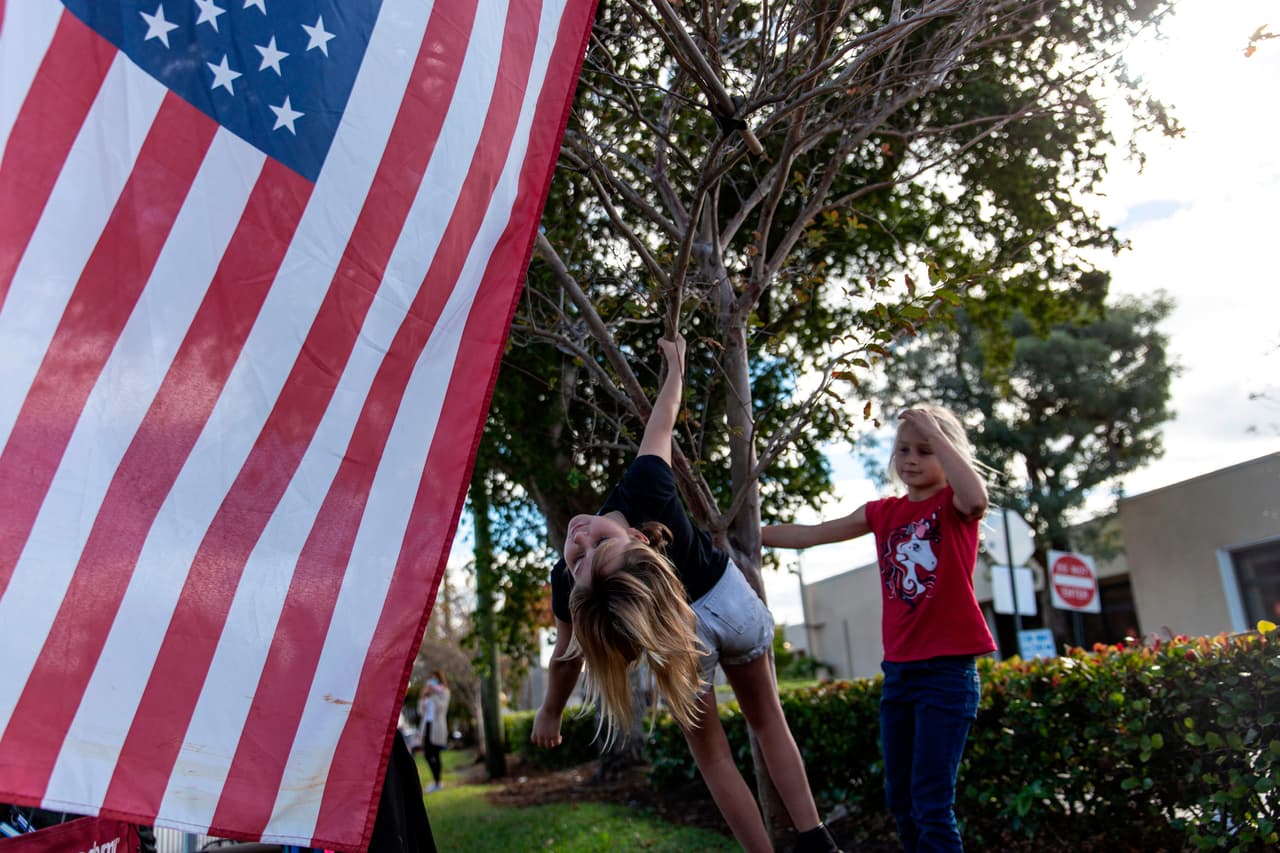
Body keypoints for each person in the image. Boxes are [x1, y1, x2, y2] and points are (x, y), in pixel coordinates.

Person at [531, 334, 839, 853]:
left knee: (714, 756)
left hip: (680, 644)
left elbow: (566, 657)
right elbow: (663, 421)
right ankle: (817, 841)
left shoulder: (569, 585)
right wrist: (675, 367)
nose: (578, 538)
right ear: (640, 540)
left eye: (584, 551)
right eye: (585, 554)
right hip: (729, 603)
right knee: (767, 721)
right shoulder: (645, 489)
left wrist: (551, 711)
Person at [762, 405, 996, 852]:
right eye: (904, 449)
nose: (910, 458)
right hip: (900, 676)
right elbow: (814, 533)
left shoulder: (955, 507)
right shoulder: (883, 513)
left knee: (931, 804)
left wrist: (933, 429)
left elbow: (977, 498)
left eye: (925, 450)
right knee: (902, 802)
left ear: (947, 456)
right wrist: (744, 531)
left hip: (947, 676)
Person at [416, 670, 451, 793]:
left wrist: (435, 694)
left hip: (437, 727)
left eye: (434, 679)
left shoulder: (444, 692)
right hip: (427, 727)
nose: (432, 682)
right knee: (427, 755)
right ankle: (436, 781)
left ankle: (438, 782)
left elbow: (442, 708)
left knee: (435, 754)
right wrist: (423, 696)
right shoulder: (427, 695)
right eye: (430, 679)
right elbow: (420, 712)